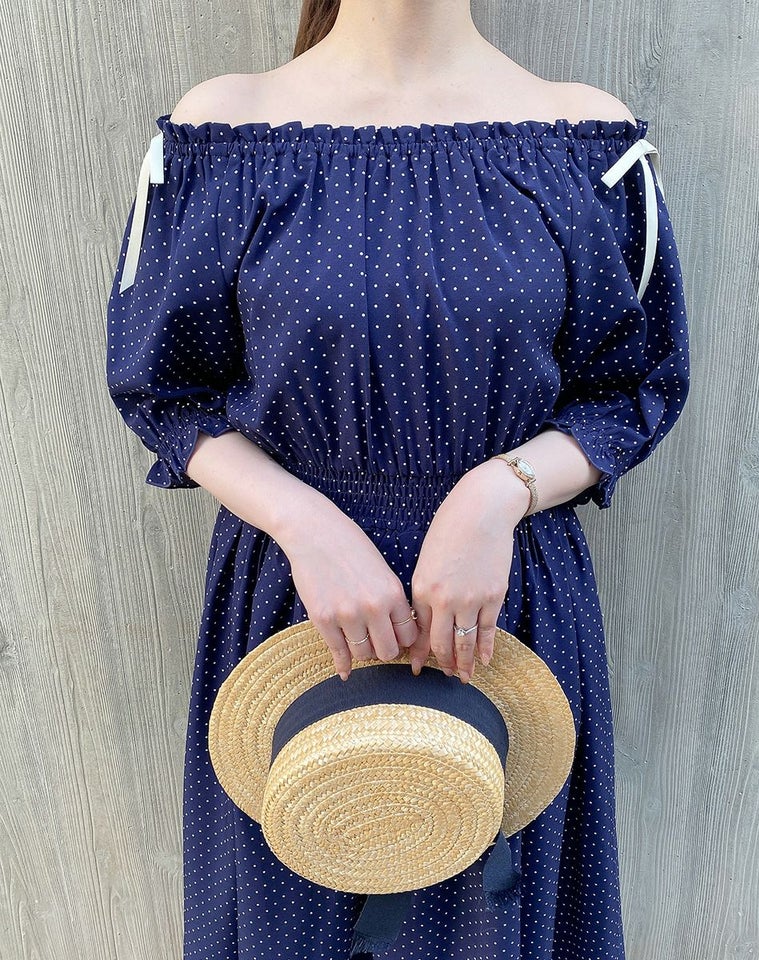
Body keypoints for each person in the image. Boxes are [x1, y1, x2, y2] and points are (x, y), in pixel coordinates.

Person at [105, 1, 691, 957]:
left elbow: (634, 388)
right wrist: (304, 523)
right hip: (294, 607)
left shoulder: (584, 138)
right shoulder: (225, 130)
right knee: (295, 909)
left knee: (497, 914)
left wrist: (497, 494)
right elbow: (163, 391)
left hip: (507, 606)